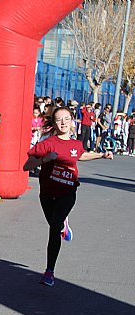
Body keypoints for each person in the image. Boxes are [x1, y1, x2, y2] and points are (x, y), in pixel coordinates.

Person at [23, 107, 113, 287]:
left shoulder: (76, 144)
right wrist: (44, 160)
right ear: (54, 124)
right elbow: (27, 166)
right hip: (47, 194)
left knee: (54, 229)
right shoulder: (47, 144)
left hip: (67, 193)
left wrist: (101, 155)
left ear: (72, 121)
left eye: (66, 119)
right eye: (59, 120)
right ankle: (62, 223)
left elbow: (81, 154)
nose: (63, 123)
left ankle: (49, 271)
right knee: (55, 225)